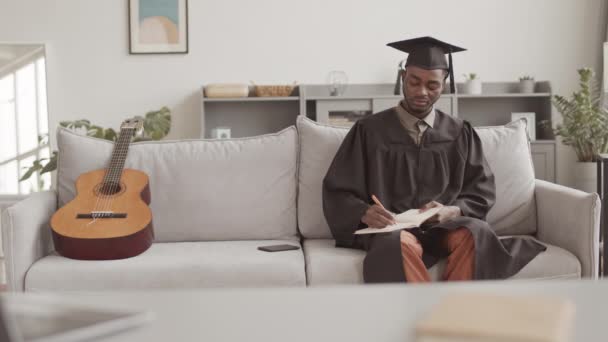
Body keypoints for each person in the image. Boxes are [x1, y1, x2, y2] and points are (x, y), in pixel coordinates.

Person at [322, 36, 546, 283]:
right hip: (392, 230)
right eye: (414, 82)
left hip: (442, 228)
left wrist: (453, 210)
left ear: (445, 84)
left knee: (476, 233)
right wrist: (364, 212)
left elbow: (480, 191)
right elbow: (337, 190)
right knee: (395, 246)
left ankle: (453, 315)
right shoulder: (368, 131)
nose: (421, 92)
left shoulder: (460, 132)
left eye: (432, 85)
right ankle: (425, 315)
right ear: (403, 77)